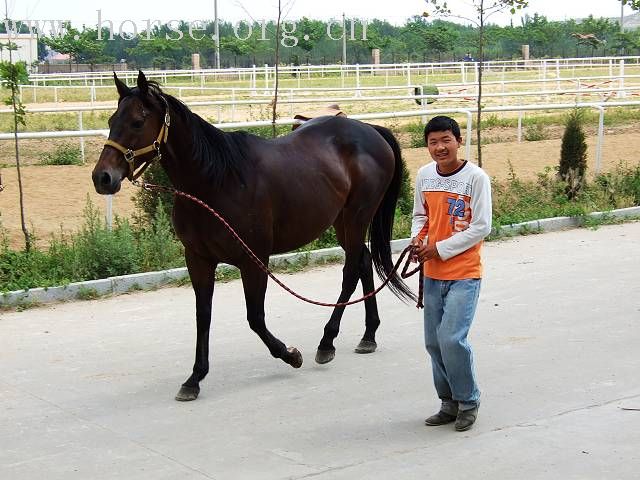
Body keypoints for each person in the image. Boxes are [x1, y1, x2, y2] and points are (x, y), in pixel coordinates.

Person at [410, 115, 492, 432]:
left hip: (463, 273)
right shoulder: (424, 175)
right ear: (427, 145)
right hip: (432, 273)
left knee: (451, 339)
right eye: (433, 142)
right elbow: (421, 215)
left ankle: (468, 401)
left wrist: (440, 248)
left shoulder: (476, 178)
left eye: (446, 140)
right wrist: (418, 240)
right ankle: (448, 402)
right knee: (433, 342)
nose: (440, 147)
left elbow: (482, 226)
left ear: (458, 141)